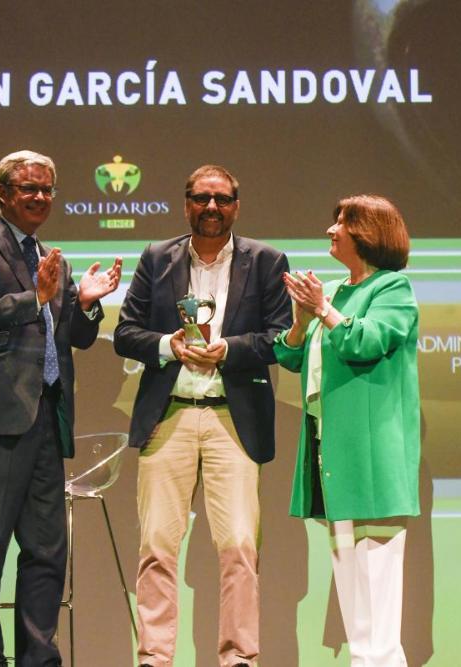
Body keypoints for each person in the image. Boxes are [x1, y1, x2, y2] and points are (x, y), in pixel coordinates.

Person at [0, 149, 123, 667]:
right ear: (3, 193)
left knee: (47, 552)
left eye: (47, 189)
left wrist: (85, 303)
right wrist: (36, 299)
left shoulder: (51, 257)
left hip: (47, 417)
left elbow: (74, 339)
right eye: (29, 188)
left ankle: (38, 659)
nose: (40, 197)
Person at [114, 164, 292, 667]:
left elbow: (281, 337)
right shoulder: (157, 258)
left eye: (222, 199)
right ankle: (154, 659)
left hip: (231, 420)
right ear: (186, 202)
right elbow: (126, 333)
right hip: (167, 415)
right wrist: (168, 346)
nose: (211, 207)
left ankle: (238, 659)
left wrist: (230, 349)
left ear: (237, 204)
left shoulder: (265, 261)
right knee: (156, 547)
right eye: (201, 198)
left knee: (238, 545)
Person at [275, 194, 420, 667]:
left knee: (377, 587)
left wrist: (324, 310)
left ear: (368, 233)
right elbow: (293, 357)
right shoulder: (335, 291)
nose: (331, 230)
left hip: (372, 455)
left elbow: (367, 341)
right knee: (350, 584)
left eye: (341, 222)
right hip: (331, 450)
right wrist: (302, 320)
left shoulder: (393, 289)